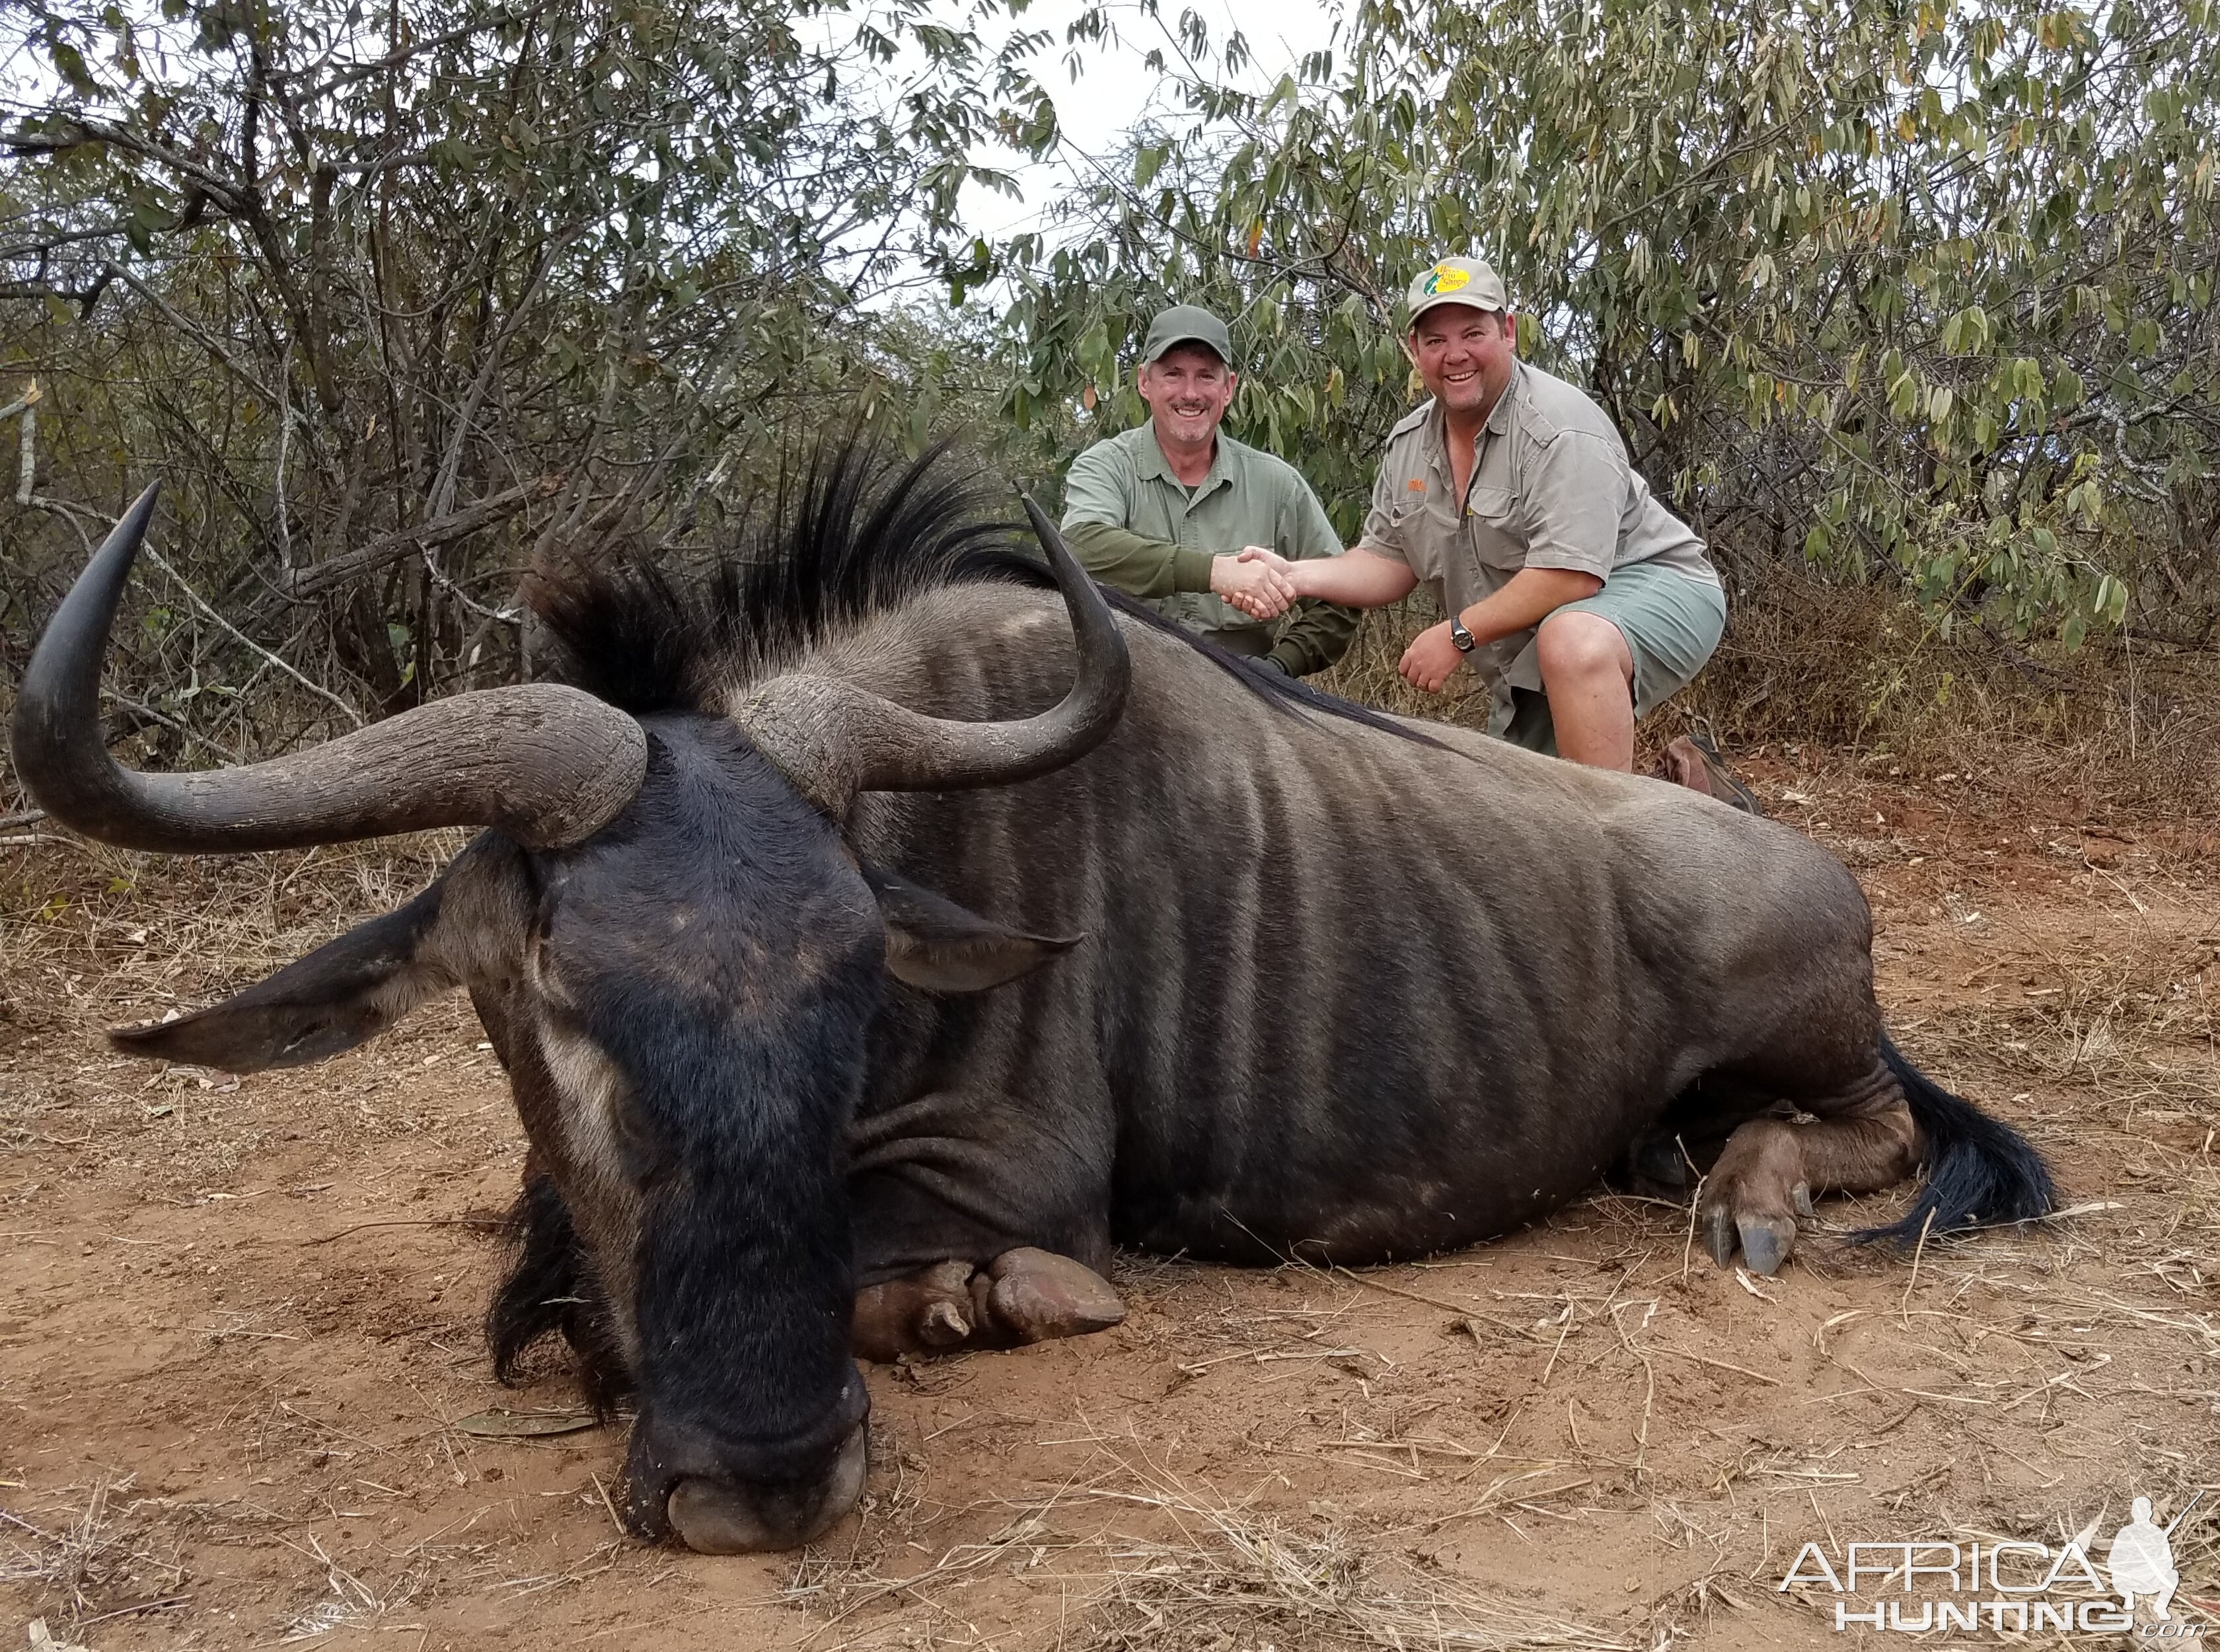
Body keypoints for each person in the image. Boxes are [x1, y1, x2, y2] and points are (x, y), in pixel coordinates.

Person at [1231, 258, 1726, 769]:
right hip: (1549, 627)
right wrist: (1293, 573)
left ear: (1508, 331)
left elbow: (1570, 577)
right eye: (1435, 341)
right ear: (1414, 351)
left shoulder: (1560, 427)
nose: (1455, 355)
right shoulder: (1408, 447)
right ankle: (1698, 797)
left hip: (1659, 585)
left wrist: (1456, 634)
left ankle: (1612, 842)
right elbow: (1387, 561)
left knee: (1575, 650)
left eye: (1472, 334)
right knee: (1527, 804)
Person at [1060, 304, 1358, 676]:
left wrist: (1278, 669)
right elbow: (1082, 545)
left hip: (1241, 698)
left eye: (1205, 377)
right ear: (1144, 382)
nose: (1190, 393)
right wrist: (1215, 572)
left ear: (1228, 388)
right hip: (1125, 693)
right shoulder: (1105, 466)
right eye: (1172, 374)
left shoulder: (1277, 484)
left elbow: (1340, 599)